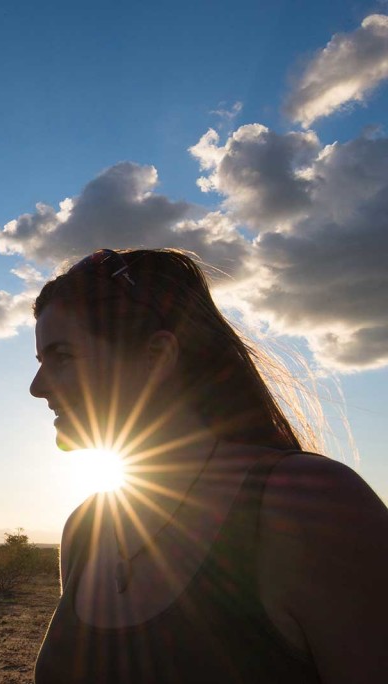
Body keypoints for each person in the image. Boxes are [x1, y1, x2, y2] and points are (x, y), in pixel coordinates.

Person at [29, 249, 388, 683]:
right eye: (40, 362)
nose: (37, 387)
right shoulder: (84, 529)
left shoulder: (309, 504)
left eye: (62, 357)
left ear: (156, 356)